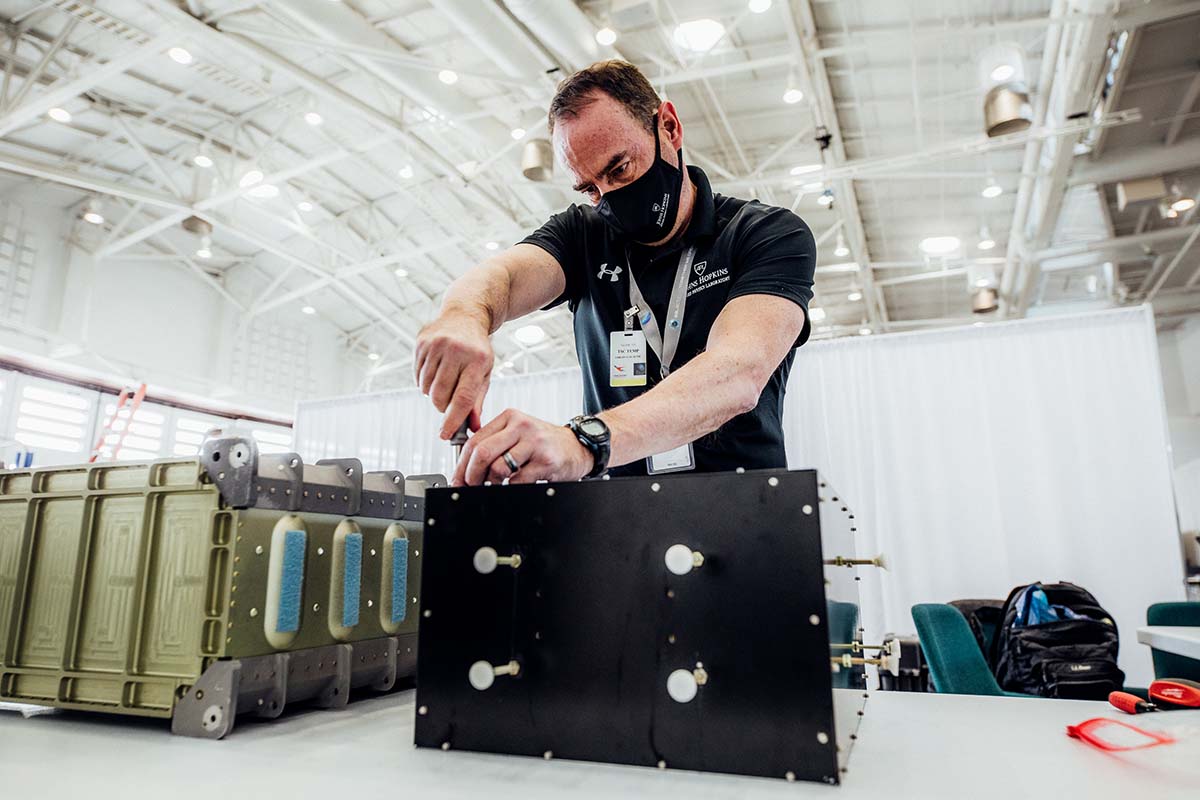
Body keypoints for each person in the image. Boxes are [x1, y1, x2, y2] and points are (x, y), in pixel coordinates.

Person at [415, 60, 816, 486]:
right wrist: (464, 316)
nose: (609, 198)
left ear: (668, 127)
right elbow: (504, 278)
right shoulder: (583, 237)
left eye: (620, 168)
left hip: (744, 503)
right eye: (590, 188)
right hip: (616, 511)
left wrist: (586, 443)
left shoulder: (765, 234)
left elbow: (738, 373)